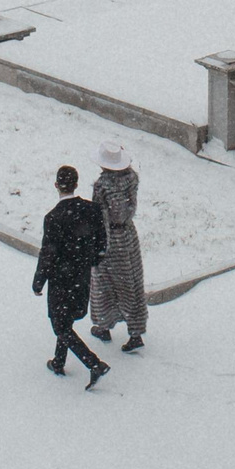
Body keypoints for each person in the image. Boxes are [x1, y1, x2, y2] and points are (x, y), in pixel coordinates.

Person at [33, 165, 109, 388]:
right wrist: (91, 261)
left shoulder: (53, 218)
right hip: (81, 276)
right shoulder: (92, 210)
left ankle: (94, 364)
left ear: (56, 186)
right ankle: (58, 362)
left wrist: (39, 281)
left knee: (60, 326)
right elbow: (101, 244)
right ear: (77, 184)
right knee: (66, 320)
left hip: (60, 279)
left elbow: (48, 253)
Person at [86, 142, 148, 352]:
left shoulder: (102, 186)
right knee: (130, 283)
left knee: (103, 283)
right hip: (128, 235)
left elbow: (100, 216)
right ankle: (136, 330)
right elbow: (128, 209)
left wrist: (98, 243)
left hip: (109, 238)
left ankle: (104, 325)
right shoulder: (132, 180)